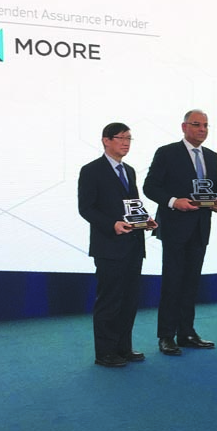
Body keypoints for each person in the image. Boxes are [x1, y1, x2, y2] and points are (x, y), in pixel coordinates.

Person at [143, 109, 217, 356]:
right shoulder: (167, 153)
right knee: (172, 282)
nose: (202, 129)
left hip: (200, 227)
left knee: (191, 283)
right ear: (184, 127)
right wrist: (173, 201)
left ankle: (187, 333)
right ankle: (166, 336)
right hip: (175, 227)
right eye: (197, 124)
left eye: (206, 125)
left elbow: (215, 189)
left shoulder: (211, 156)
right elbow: (150, 187)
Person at [78, 122, 156, 367]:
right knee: (109, 300)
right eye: (121, 138)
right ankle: (105, 352)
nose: (125, 143)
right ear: (106, 140)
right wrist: (112, 224)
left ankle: (123, 347)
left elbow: (132, 205)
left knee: (129, 299)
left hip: (133, 244)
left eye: (129, 138)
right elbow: (86, 208)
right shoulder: (91, 170)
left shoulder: (129, 171)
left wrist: (145, 220)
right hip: (109, 246)